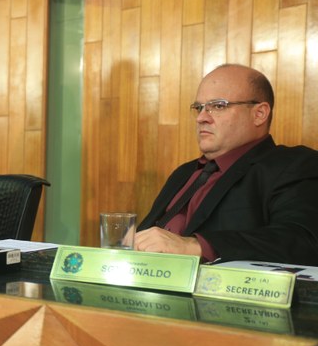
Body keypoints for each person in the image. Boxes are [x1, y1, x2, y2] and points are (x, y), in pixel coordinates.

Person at [135, 64, 318, 265]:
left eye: (218, 106)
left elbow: (301, 240)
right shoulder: (184, 172)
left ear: (259, 114)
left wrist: (194, 247)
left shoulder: (294, 165)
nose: (202, 118)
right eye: (199, 108)